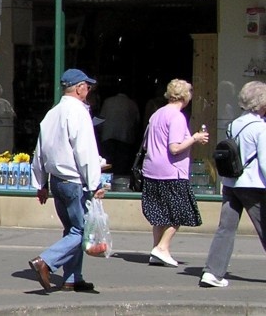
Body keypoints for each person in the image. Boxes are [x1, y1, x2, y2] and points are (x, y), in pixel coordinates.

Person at [29, 68, 106, 293]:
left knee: (71, 229)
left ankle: (73, 278)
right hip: (74, 181)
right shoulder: (78, 112)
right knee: (81, 231)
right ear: (79, 88)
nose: (88, 91)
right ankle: (46, 261)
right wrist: (95, 183)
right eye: (87, 87)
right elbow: (85, 151)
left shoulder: (52, 113)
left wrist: (41, 183)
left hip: (57, 180)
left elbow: (40, 150)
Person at [200, 81, 266, 287]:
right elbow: (264, 162)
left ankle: (212, 272)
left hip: (230, 182)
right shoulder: (261, 128)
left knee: (226, 229)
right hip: (254, 185)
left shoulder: (233, 124)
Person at [141, 79, 209, 267]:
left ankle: (157, 249)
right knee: (179, 212)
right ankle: (162, 247)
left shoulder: (156, 114)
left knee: (159, 214)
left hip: (151, 169)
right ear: (185, 96)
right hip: (172, 172)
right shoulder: (177, 117)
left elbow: (146, 144)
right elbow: (175, 148)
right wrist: (195, 138)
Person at [98, 86, 140, 175]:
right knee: (121, 165)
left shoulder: (107, 101)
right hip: (124, 137)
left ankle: (107, 181)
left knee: (107, 164)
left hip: (108, 136)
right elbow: (137, 121)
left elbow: (101, 119)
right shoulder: (132, 104)